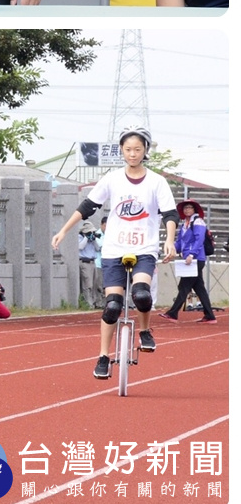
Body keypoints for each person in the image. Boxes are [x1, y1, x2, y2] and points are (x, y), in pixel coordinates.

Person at [52, 127, 177, 379]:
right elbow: (87, 206)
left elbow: (170, 214)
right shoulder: (112, 178)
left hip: (144, 249)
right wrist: (64, 231)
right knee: (112, 307)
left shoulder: (156, 181)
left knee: (141, 295)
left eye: (138, 150)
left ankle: (144, 331)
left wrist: (170, 241)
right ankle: (102, 356)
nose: (133, 154)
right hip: (114, 250)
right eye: (128, 149)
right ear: (121, 150)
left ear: (146, 151)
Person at [159, 199, 217, 323]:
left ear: (194, 210)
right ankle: (210, 315)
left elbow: (199, 239)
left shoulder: (198, 222)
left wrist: (191, 254)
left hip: (195, 259)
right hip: (190, 259)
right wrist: (171, 252)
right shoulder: (184, 224)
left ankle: (173, 313)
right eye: (185, 208)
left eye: (190, 207)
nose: (187, 209)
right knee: (199, 287)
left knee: (184, 286)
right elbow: (179, 242)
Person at [76, 220, 102, 308]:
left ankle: (94, 302)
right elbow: (80, 247)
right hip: (85, 262)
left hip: (93, 262)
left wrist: (93, 239)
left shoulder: (91, 239)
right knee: (88, 284)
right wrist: (86, 238)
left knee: (94, 284)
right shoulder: (80, 237)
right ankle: (88, 304)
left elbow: (98, 248)